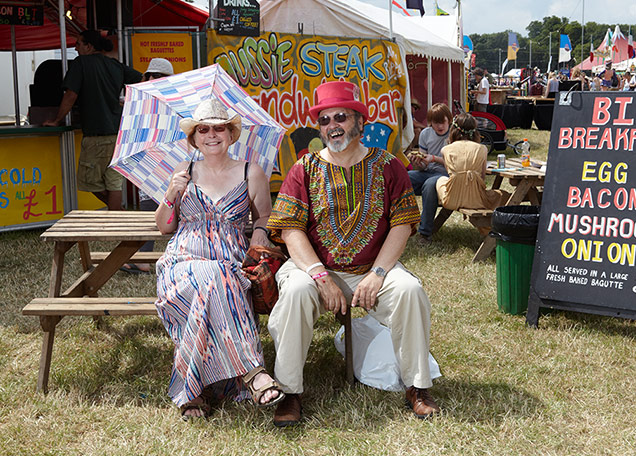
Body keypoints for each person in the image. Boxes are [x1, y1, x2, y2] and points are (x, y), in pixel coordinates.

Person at [266, 81, 439, 427]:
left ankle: (417, 386)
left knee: (409, 291)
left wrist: (377, 274)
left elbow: (402, 224)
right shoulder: (304, 168)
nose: (332, 126)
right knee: (297, 292)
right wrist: (319, 276)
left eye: (340, 117)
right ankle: (289, 392)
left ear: (361, 121)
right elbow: (290, 230)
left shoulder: (389, 166)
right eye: (324, 120)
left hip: (372, 268)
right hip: (312, 270)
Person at [155, 98, 285, 420]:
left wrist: (259, 232)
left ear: (230, 133)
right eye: (204, 129)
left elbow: (264, 216)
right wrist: (171, 194)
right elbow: (163, 227)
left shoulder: (251, 172)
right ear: (194, 137)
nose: (212, 134)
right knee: (214, 278)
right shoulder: (182, 173)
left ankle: (193, 390)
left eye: (219, 128)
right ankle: (253, 372)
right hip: (181, 263)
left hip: (230, 264)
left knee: (216, 281)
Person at [43, 30, 142, 210]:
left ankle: (119, 215)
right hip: (118, 134)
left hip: (97, 135)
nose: (75, 47)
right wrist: (126, 104)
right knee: (113, 182)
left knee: (89, 181)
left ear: (89, 46)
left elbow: (71, 94)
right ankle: (122, 221)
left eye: (79, 43)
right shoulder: (114, 65)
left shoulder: (81, 63)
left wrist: (57, 120)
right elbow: (140, 79)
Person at [123, 58, 176, 275]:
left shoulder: (153, 98)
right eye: (149, 76)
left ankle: (144, 257)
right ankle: (145, 256)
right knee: (158, 207)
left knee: (153, 209)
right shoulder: (167, 97)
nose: (150, 79)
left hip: (160, 159)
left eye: (155, 76)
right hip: (161, 160)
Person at [435, 113, 510, 216]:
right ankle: (490, 226)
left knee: (441, 180)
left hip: (451, 200)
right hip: (477, 200)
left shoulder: (445, 150)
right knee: (504, 195)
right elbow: (482, 178)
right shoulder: (482, 149)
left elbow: (451, 176)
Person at [407, 103, 452, 243]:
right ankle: (401, 223)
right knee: (403, 178)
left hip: (446, 175)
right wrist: (418, 162)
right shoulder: (425, 133)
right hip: (427, 172)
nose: (440, 126)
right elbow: (421, 166)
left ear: (449, 120)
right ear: (430, 122)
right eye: (435, 123)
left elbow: (456, 163)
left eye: (443, 122)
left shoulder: (454, 134)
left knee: (429, 185)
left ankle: (425, 233)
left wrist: (433, 158)